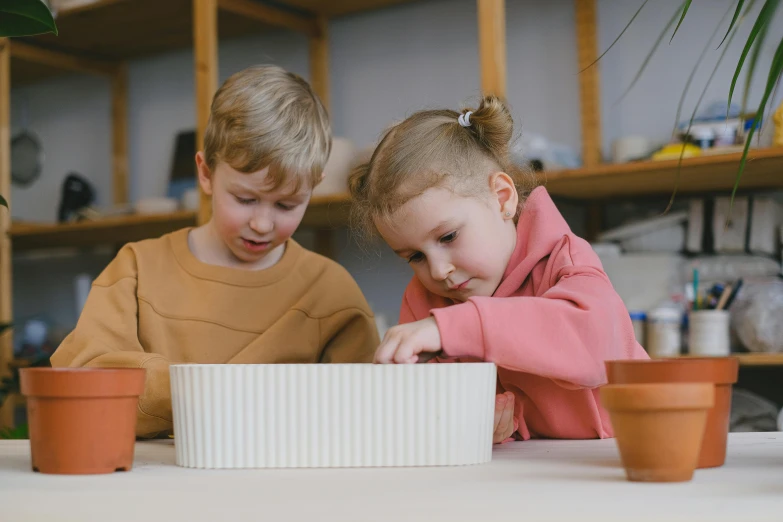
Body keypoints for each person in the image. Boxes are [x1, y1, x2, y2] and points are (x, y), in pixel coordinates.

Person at [52, 65, 380, 438]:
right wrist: (213, 395)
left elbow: (361, 411)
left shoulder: (331, 291)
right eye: (245, 198)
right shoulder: (137, 268)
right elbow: (88, 377)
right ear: (205, 173)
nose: (262, 223)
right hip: (148, 484)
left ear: (314, 187)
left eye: (287, 205)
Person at [349, 95, 648, 443]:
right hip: (525, 479)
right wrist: (487, 421)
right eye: (414, 257)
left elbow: (599, 350)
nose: (439, 270)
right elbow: (424, 413)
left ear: (503, 198)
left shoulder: (564, 259)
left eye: (448, 237)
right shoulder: (426, 302)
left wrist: (456, 328)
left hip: (625, 458)